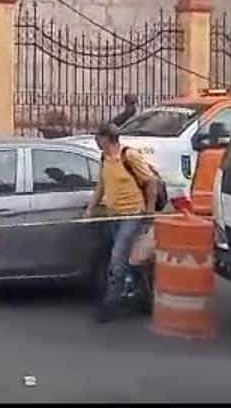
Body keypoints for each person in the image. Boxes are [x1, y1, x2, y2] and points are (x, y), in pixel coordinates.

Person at [84, 122, 159, 323]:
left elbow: (150, 181)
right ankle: (145, 297)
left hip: (132, 215)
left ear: (107, 138)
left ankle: (111, 305)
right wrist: (91, 207)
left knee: (117, 259)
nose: (96, 141)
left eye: (98, 137)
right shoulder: (104, 158)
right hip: (114, 216)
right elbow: (101, 185)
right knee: (129, 260)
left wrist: (149, 211)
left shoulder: (129, 156)